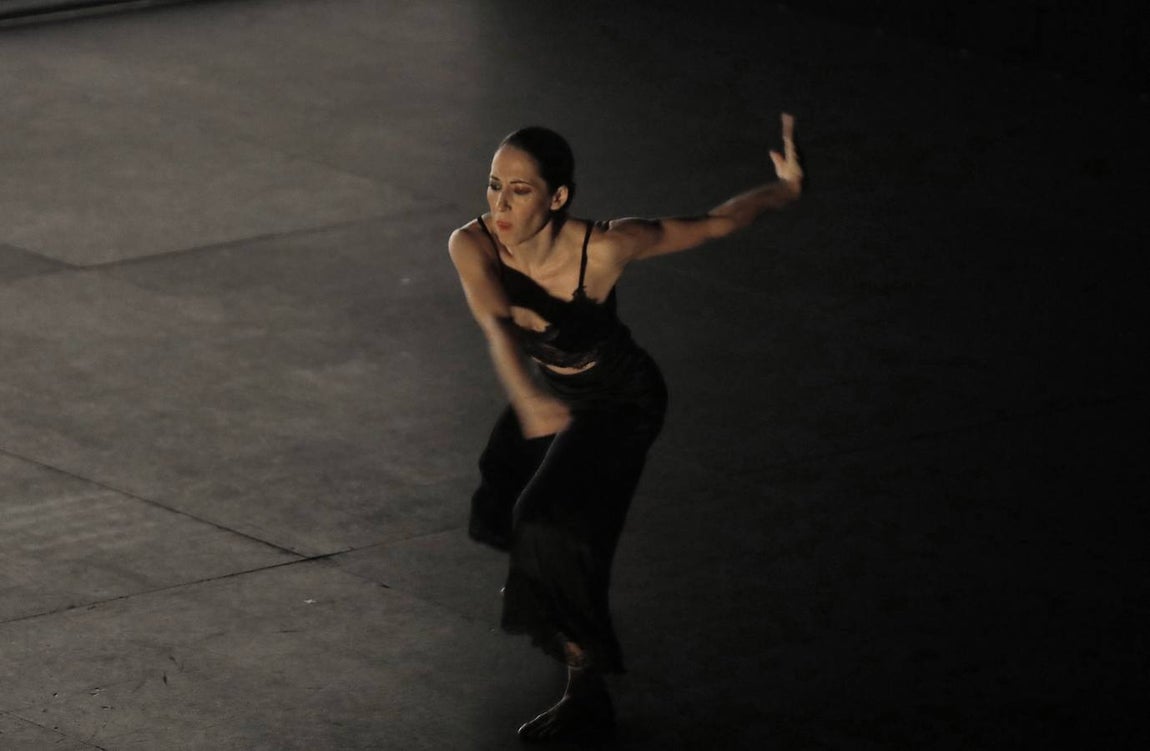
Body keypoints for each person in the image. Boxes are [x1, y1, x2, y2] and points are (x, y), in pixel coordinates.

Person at [448, 113, 803, 742]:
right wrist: (528, 399)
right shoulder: (471, 243)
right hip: (551, 391)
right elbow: (497, 325)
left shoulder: (605, 247)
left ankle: (588, 690)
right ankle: (554, 574)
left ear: (557, 197)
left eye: (520, 190)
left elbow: (717, 222)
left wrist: (785, 189)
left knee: (551, 523)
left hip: (620, 399)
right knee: (499, 496)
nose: (500, 204)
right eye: (494, 185)